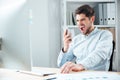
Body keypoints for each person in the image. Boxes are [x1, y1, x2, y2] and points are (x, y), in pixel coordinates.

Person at [57, 4, 113, 73]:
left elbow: (99, 54)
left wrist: (81, 65)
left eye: (82, 20)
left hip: (97, 76)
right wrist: (65, 49)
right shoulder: (76, 39)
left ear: (92, 19)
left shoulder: (105, 35)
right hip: (78, 76)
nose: (79, 24)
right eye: (77, 21)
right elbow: (61, 65)